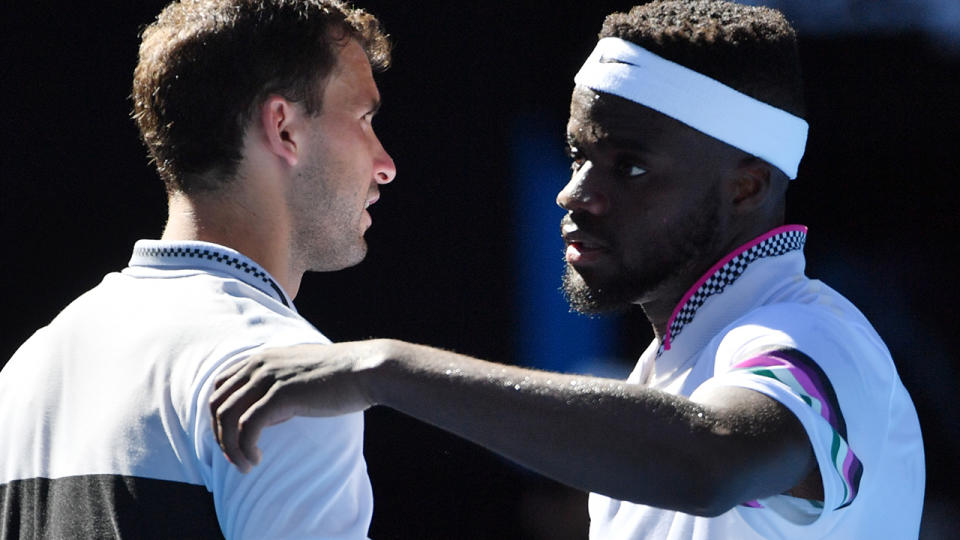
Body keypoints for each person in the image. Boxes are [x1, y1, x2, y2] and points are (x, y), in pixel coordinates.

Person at [210, 1, 925, 538]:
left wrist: (384, 370)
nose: (574, 193)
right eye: (579, 156)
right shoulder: (669, 371)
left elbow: (715, 461)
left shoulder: (814, 334)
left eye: (629, 165)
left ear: (745, 187)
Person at [0, 0, 395, 538]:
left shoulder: (29, 366)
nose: (385, 164)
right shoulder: (292, 381)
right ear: (283, 128)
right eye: (364, 119)